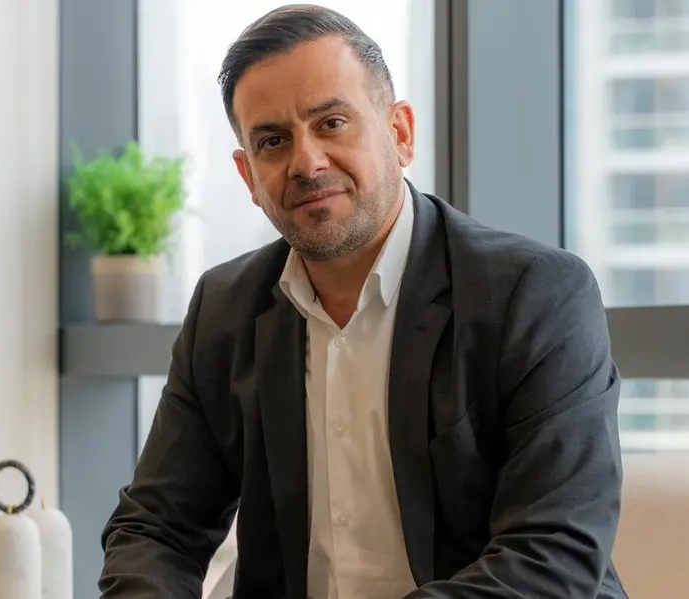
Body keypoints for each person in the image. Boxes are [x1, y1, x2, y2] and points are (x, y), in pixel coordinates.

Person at [98, 4, 629, 598]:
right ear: (248, 177)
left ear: (399, 133)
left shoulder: (533, 293)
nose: (306, 162)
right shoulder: (225, 309)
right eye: (273, 141)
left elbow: (552, 555)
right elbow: (156, 528)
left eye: (331, 123)